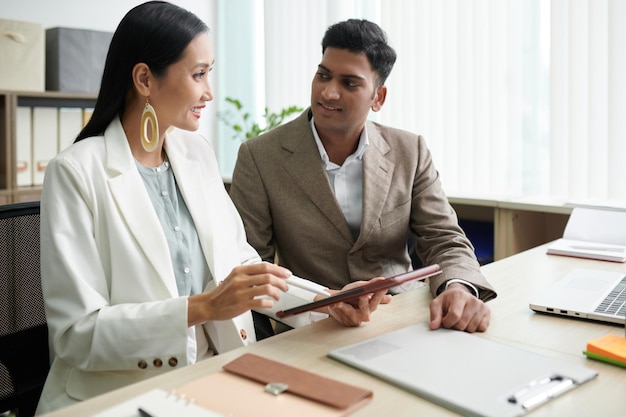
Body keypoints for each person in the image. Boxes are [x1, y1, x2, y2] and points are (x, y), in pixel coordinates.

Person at [36, 4, 390, 414]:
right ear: (145, 79)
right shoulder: (76, 172)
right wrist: (203, 307)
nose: (209, 92)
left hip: (215, 377)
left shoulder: (195, 154)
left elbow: (241, 266)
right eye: (198, 74)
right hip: (123, 396)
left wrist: (324, 301)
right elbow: (76, 335)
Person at [230, 18, 497, 337]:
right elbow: (248, 267)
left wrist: (458, 287)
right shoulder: (260, 156)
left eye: (349, 83)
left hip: (404, 319)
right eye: (323, 75)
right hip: (315, 325)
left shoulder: (409, 150)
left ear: (378, 97)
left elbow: (444, 237)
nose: (328, 92)